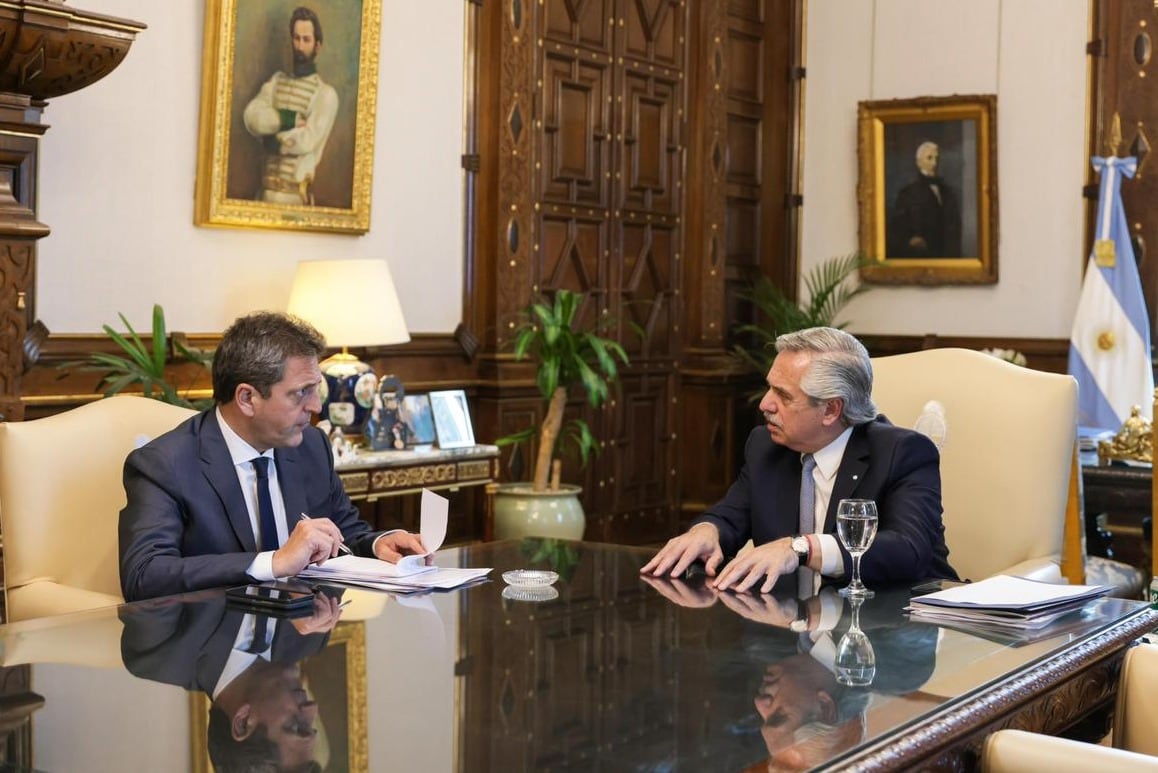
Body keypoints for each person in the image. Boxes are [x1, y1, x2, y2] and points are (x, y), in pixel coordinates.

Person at [119, 311, 427, 602]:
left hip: (296, 635)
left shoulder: (311, 446)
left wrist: (378, 543)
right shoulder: (165, 465)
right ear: (247, 398)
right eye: (300, 393)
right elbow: (145, 575)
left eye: (315, 390)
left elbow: (345, 533)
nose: (315, 407)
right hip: (209, 647)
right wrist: (274, 562)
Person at [641, 327, 958, 593]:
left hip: (895, 633)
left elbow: (907, 551)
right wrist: (707, 531)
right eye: (770, 389)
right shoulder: (765, 445)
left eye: (784, 395)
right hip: (791, 632)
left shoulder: (902, 453)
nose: (765, 404)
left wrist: (802, 548)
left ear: (832, 410)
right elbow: (730, 516)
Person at [120, 590, 342, 771]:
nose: (312, 709)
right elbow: (343, 546)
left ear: (242, 721)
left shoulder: (158, 653)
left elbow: (154, 566)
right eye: (311, 726)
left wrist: (274, 565)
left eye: (297, 725)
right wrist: (376, 544)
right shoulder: (309, 640)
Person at [242, 6, 338, 206]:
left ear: (317, 45)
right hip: (263, 196)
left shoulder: (325, 95)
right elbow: (252, 117)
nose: (299, 46)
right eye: (296, 38)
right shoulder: (276, 81)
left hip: (294, 199)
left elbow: (307, 140)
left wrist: (273, 142)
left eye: (306, 39)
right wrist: (288, 119)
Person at [887, 141, 962, 258]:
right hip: (921, 256)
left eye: (937, 158)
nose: (934, 163)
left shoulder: (948, 192)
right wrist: (910, 240)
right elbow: (897, 229)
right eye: (929, 158)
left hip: (946, 255)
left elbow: (954, 225)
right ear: (919, 163)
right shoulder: (907, 193)